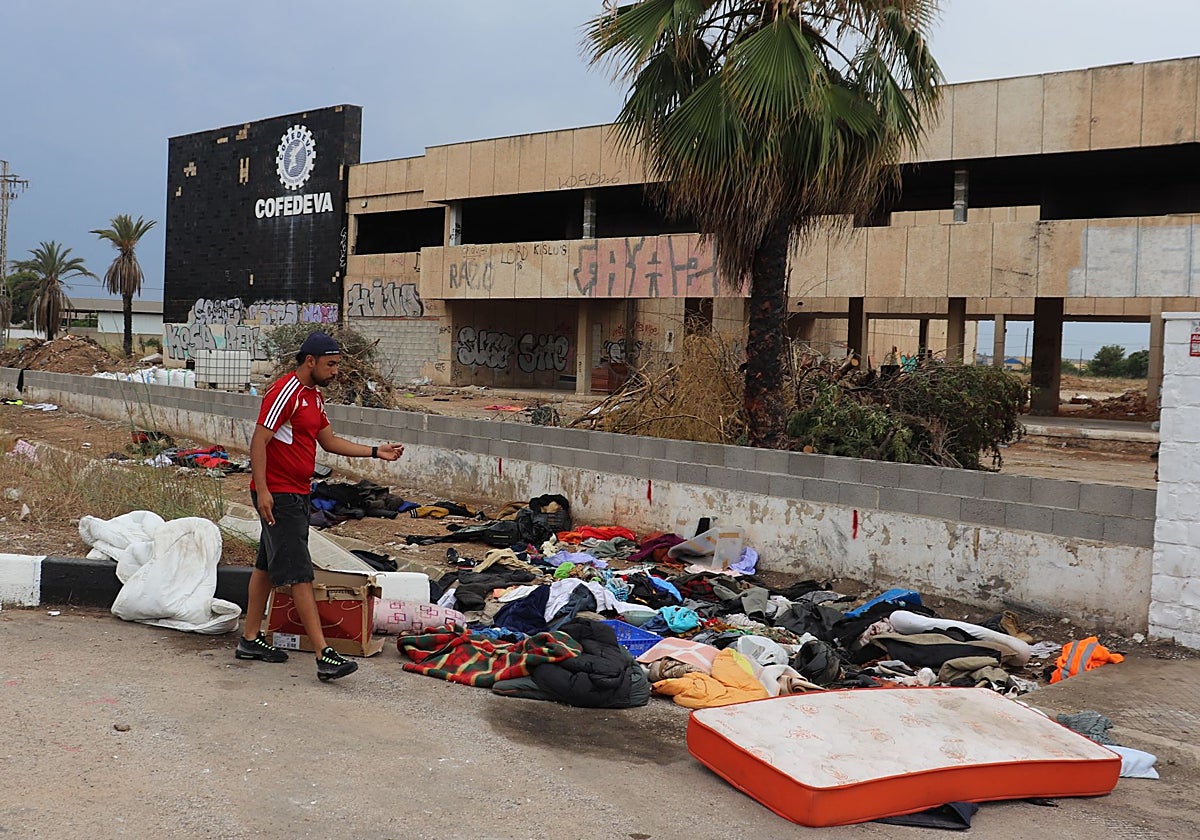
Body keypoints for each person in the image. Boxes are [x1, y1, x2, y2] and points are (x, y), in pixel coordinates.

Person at [236, 331, 403, 681]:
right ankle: (324, 654)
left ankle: (250, 639)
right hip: (279, 495)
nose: (336, 371)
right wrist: (263, 490)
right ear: (310, 361)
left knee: (265, 567)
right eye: (331, 364)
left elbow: (328, 441)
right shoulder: (286, 392)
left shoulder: (313, 396)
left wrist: (376, 452)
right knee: (300, 573)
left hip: (298, 492)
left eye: (338, 364)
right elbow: (258, 441)